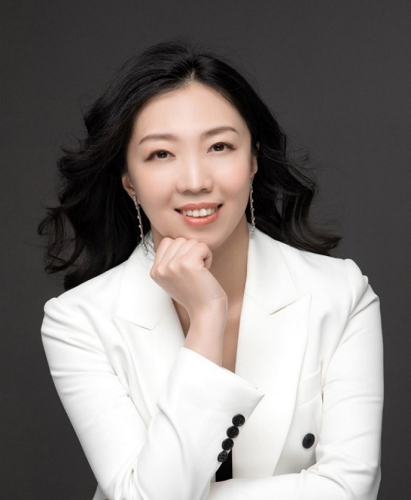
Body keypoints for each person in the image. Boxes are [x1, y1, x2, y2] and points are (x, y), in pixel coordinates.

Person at [38, 39, 384, 500]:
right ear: (129, 181)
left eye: (219, 146)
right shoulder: (78, 320)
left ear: (253, 159)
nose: (196, 181)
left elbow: (350, 487)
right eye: (161, 154)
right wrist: (206, 319)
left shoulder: (341, 293)